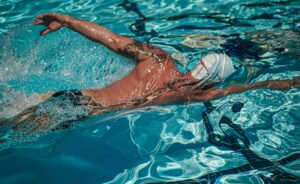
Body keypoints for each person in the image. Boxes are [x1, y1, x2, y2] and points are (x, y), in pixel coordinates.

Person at [2, 13, 299, 132]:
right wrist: (288, 82)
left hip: (74, 97)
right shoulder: (193, 95)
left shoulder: (158, 60)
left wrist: (65, 20)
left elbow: (109, 38)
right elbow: (249, 88)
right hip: (78, 113)